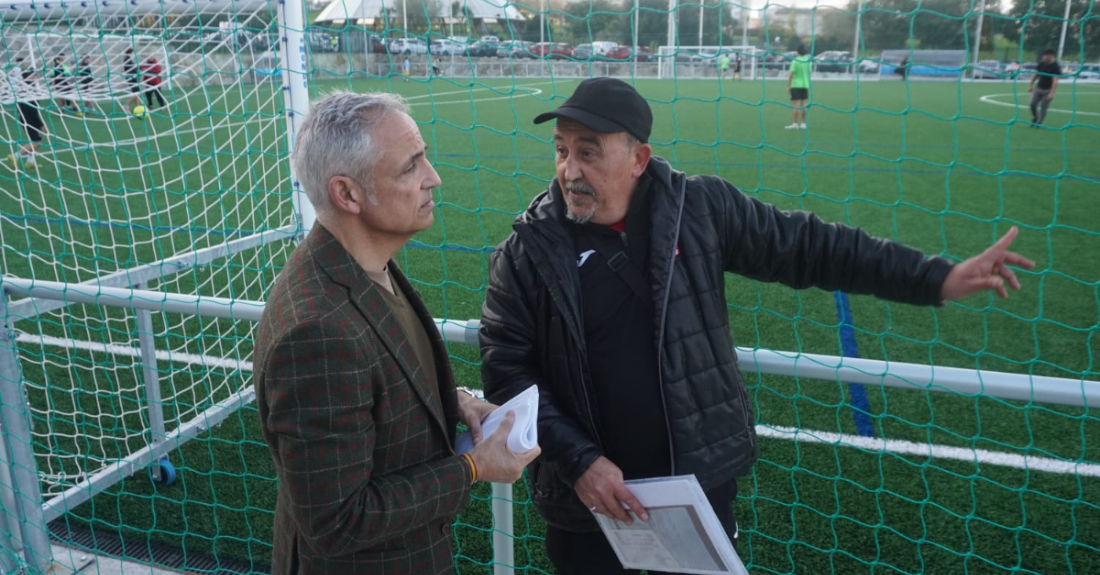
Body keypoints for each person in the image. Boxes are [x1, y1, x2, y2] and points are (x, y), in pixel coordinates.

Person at [478, 77, 1035, 575]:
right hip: (589, 496)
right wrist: (581, 463)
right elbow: (507, 368)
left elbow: (812, 247)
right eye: (562, 151)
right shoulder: (526, 250)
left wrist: (936, 278)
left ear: (639, 158)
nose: (570, 170)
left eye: (589, 152)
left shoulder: (700, 210)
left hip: (696, 482)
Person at [253, 91, 540, 575]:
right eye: (410, 167)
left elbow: (378, 377)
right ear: (348, 194)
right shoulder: (319, 334)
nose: (433, 177)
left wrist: (456, 399)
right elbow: (337, 521)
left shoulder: (363, 266)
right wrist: (473, 467)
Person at [7, 58, 47, 170]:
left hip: (24, 117)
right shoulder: (31, 91)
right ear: (29, 78)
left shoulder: (24, 90)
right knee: (37, 142)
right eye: (34, 76)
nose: (37, 77)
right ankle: (15, 156)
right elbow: (33, 110)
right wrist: (41, 124)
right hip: (30, 119)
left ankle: (30, 162)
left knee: (35, 141)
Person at [1028, 49, 1061, 128]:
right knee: (1032, 104)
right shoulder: (1042, 64)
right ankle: (1035, 117)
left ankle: (1038, 123)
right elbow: (1035, 75)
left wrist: (1052, 93)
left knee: (1043, 107)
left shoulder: (1055, 66)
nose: (1044, 57)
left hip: (1048, 90)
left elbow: (1055, 81)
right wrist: (1030, 85)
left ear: (1051, 56)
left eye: (1046, 56)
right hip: (1039, 88)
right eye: (1044, 56)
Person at [786, 44, 812, 129]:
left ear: (798, 52)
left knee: (795, 106)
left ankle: (795, 124)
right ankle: (803, 124)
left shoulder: (795, 61)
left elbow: (791, 75)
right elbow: (810, 73)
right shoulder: (809, 61)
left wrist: (788, 86)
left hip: (796, 85)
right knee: (804, 105)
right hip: (805, 85)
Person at [123, 48, 142, 114]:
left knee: (137, 93)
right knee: (137, 93)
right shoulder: (127, 59)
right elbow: (130, 70)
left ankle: (138, 108)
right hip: (132, 79)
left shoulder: (128, 59)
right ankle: (126, 105)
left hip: (133, 78)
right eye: (133, 53)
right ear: (131, 52)